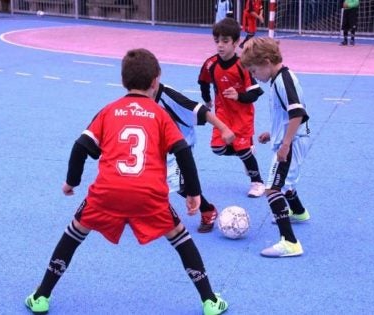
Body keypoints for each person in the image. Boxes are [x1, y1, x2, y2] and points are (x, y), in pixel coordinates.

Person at [24, 48, 228, 315]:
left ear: (123, 81)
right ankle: (210, 301)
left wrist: (71, 183)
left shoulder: (109, 111)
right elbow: (182, 152)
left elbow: (80, 147)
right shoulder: (159, 114)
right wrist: (194, 193)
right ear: (156, 80)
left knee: (74, 234)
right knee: (180, 238)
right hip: (148, 194)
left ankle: (41, 296)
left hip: (107, 193)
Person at [240, 37, 311, 257]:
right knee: (285, 183)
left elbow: (297, 112)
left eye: (254, 70)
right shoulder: (279, 78)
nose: (254, 76)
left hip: (292, 142)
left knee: (272, 189)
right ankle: (298, 212)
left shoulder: (283, 80)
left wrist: (285, 144)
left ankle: (289, 242)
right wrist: (273, 133)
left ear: (268, 61)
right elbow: (288, 114)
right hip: (291, 137)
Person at [198, 17, 266, 198]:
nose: (220, 45)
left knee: (243, 149)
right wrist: (207, 100)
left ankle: (257, 182)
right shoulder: (210, 64)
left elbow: (256, 93)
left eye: (225, 41)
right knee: (217, 149)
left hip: (242, 115)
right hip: (222, 115)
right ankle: (246, 155)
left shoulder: (242, 65)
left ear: (236, 43)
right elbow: (203, 82)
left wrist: (239, 96)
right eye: (217, 41)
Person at [155, 82, 235, 232]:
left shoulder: (169, 97)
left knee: (178, 183)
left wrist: (223, 128)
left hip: (180, 143)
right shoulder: (139, 94)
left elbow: (200, 111)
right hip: (156, 143)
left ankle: (207, 210)